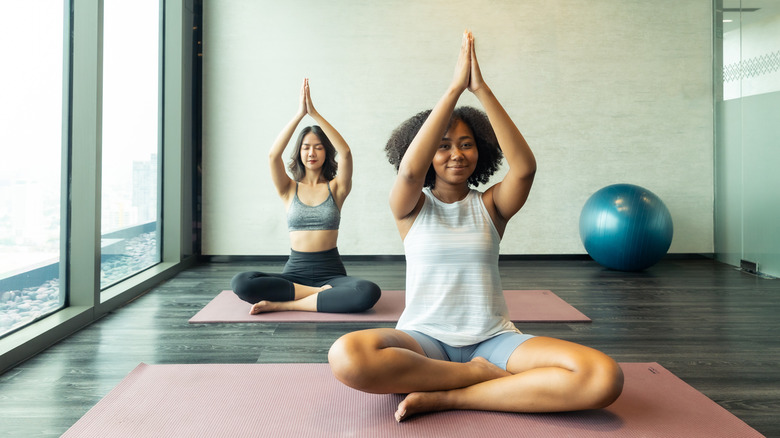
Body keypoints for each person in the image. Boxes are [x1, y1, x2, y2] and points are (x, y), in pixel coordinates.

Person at [328, 32, 623, 421]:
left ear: (479, 150)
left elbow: (525, 168)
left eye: (466, 144)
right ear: (428, 152)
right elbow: (411, 170)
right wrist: (452, 91)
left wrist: (480, 89)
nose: (456, 154)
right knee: (347, 357)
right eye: (444, 145)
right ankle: (474, 377)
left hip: (494, 339)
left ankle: (451, 395)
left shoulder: (491, 205)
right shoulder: (410, 207)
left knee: (603, 377)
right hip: (423, 339)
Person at [230, 79, 381, 314]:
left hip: (331, 273)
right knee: (241, 282)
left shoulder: (337, 188)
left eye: (319, 147)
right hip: (294, 275)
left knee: (367, 291)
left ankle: (285, 305)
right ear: (299, 152)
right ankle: (319, 295)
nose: (312, 152)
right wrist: (300, 115)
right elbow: (273, 156)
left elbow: (346, 152)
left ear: (326, 152)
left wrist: (315, 114)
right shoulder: (288, 189)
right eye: (306, 147)